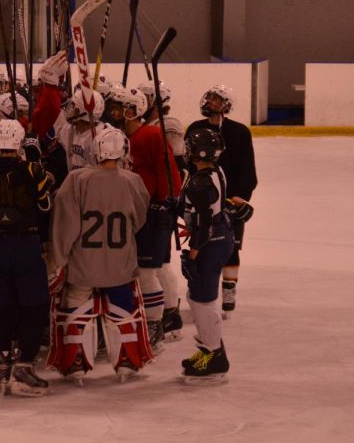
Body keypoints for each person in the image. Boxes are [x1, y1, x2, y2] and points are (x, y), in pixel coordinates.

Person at [48, 127, 153, 384]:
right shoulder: (132, 181)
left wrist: (57, 260)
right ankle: (126, 361)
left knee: (75, 306)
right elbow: (138, 220)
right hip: (119, 263)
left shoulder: (77, 179)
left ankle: (75, 364)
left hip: (83, 264)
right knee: (121, 306)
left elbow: (66, 225)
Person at [0, 119, 53, 396]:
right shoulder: (33, 170)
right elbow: (44, 206)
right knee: (34, 305)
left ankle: (2, 361)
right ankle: (24, 366)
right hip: (25, 244)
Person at [105, 86, 182, 349]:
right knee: (147, 270)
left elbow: (167, 170)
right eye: (115, 107)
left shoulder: (150, 136)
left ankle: (156, 324)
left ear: (135, 111)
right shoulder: (121, 139)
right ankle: (162, 319)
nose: (116, 112)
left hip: (153, 212)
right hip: (137, 212)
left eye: (122, 108)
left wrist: (165, 202)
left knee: (149, 270)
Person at [185, 85, 257, 317]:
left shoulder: (239, 132)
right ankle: (205, 289)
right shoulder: (196, 129)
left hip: (230, 199)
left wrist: (241, 197)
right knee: (202, 241)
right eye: (209, 98)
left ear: (226, 105)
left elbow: (247, 169)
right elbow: (187, 163)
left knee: (231, 246)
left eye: (216, 100)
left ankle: (229, 288)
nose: (210, 102)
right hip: (203, 197)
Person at [176, 128, 236, 384]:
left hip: (211, 243)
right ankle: (209, 348)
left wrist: (192, 255)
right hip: (220, 238)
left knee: (202, 299)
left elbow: (203, 225)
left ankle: (215, 355)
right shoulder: (214, 172)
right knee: (198, 296)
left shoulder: (201, 182)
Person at [137, 80, 187, 339]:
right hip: (154, 203)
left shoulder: (169, 127)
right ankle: (169, 312)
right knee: (158, 263)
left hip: (161, 205)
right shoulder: (148, 127)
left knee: (160, 263)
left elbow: (175, 166)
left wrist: (167, 201)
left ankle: (170, 313)